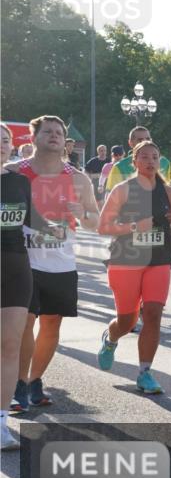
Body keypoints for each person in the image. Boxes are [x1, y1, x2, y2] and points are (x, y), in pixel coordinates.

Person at [7, 115, 99, 412]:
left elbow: (95, 221)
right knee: (25, 323)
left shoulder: (78, 178)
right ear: (33, 138)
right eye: (48, 131)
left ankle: (35, 379)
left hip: (61, 263)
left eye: (59, 132)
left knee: (51, 323)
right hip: (23, 261)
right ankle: (18, 383)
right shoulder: (14, 172)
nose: (55, 135)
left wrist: (82, 214)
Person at [96, 140, 171, 393]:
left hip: (159, 259)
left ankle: (145, 372)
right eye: (144, 157)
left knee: (153, 313)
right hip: (125, 261)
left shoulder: (169, 192)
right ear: (134, 162)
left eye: (154, 157)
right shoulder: (123, 190)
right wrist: (134, 227)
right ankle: (111, 338)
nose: (150, 161)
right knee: (127, 320)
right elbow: (103, 227)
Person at [1, 124, 57, 448]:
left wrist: (56, 228)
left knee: (9, 345)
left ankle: (1, 423)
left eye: (5, 140)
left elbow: (31, 218)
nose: (1, 145)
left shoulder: (19, 181)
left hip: (15, 267)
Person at [105, 126, 171, 193]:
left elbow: (167, 191)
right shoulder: (119, 167)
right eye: (140, 140)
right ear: (130, 143)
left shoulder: (165, 163)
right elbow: (111, 195)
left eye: (148, 139)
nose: (145, 142)